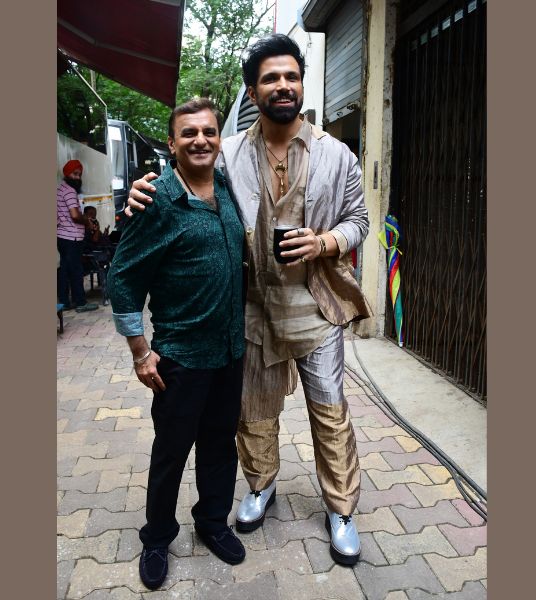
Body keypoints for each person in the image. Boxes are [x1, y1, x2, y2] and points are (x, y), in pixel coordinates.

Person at [126, 34, 372, 566]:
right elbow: (186, 179)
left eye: (291, 76)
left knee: (330, 412)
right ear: (254, 90)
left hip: (315, 306)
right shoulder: (229, 152)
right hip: (252, 308)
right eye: (270, 78)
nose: (282, 86)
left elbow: (360, 219)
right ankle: (261, 485)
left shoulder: (337, 155)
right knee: (254, 413)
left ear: (302, 84)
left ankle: (341, 510)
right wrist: (142, 193)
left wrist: (326, 242)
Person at [108, 98, 247, 590]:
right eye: (189, 133)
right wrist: (140, 352)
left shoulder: (226, 188)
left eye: (208, 131)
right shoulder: (156, 200)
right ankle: (157, 537)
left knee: (220, 446)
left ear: (219, 140)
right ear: (172, 143)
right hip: (181, 358)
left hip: (230, 351)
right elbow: (122, 278)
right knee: (171, 451)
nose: (200, 140)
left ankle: (211, 522)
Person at [57, 159, 99, 312]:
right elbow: (75, 215)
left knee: (65, 270)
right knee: (76, 271)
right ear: (67, 174)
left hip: (63, 237)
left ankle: (64, 302)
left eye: (80, 174)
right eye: (75, 174)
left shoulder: (60, 189)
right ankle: (80, 303)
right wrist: (87, 221)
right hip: (72, 238)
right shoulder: (69, 191)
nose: (78, 177)